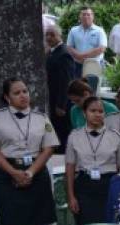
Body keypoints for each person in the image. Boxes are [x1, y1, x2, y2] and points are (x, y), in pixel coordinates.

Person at [0, 78, 59, 225]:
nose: (23, 95)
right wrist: (13, 172)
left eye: (25, 91)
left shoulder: (41, 118)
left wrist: (30, 172)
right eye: (17, 93)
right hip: (7, 174)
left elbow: (49, 148)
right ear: (7, 98)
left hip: (36, 173)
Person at [65, 96, 120, 225]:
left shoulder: (115, 136)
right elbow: (69, 167)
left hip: (108, 185)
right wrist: (71, 196)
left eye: (100, 111)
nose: (97, 114)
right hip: (84, 185)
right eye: (93, 111)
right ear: (84, 113)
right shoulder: (74, 136)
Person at [44, 24, 76, 152]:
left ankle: (64, 149)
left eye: (52, 34)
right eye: (47, 34)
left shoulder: (64, 54)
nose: (49, 37)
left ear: (59, 36)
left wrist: (61, 104)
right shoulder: (51, 52)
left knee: (62, 125)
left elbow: (66, 81)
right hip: (52, 96)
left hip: (60, 98)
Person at [66, 6, 107, 80]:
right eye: (83, 14)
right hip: (77, 65)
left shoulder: (99, 31)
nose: (86, 17)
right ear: (80, 16)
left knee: (93, 88)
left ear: (93, 16)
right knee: (77, 88)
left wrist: (82, 56)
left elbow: (101, 49)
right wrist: (79, 56)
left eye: (88, 14)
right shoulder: (73, 30)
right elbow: (69, 47)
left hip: (94, 64)